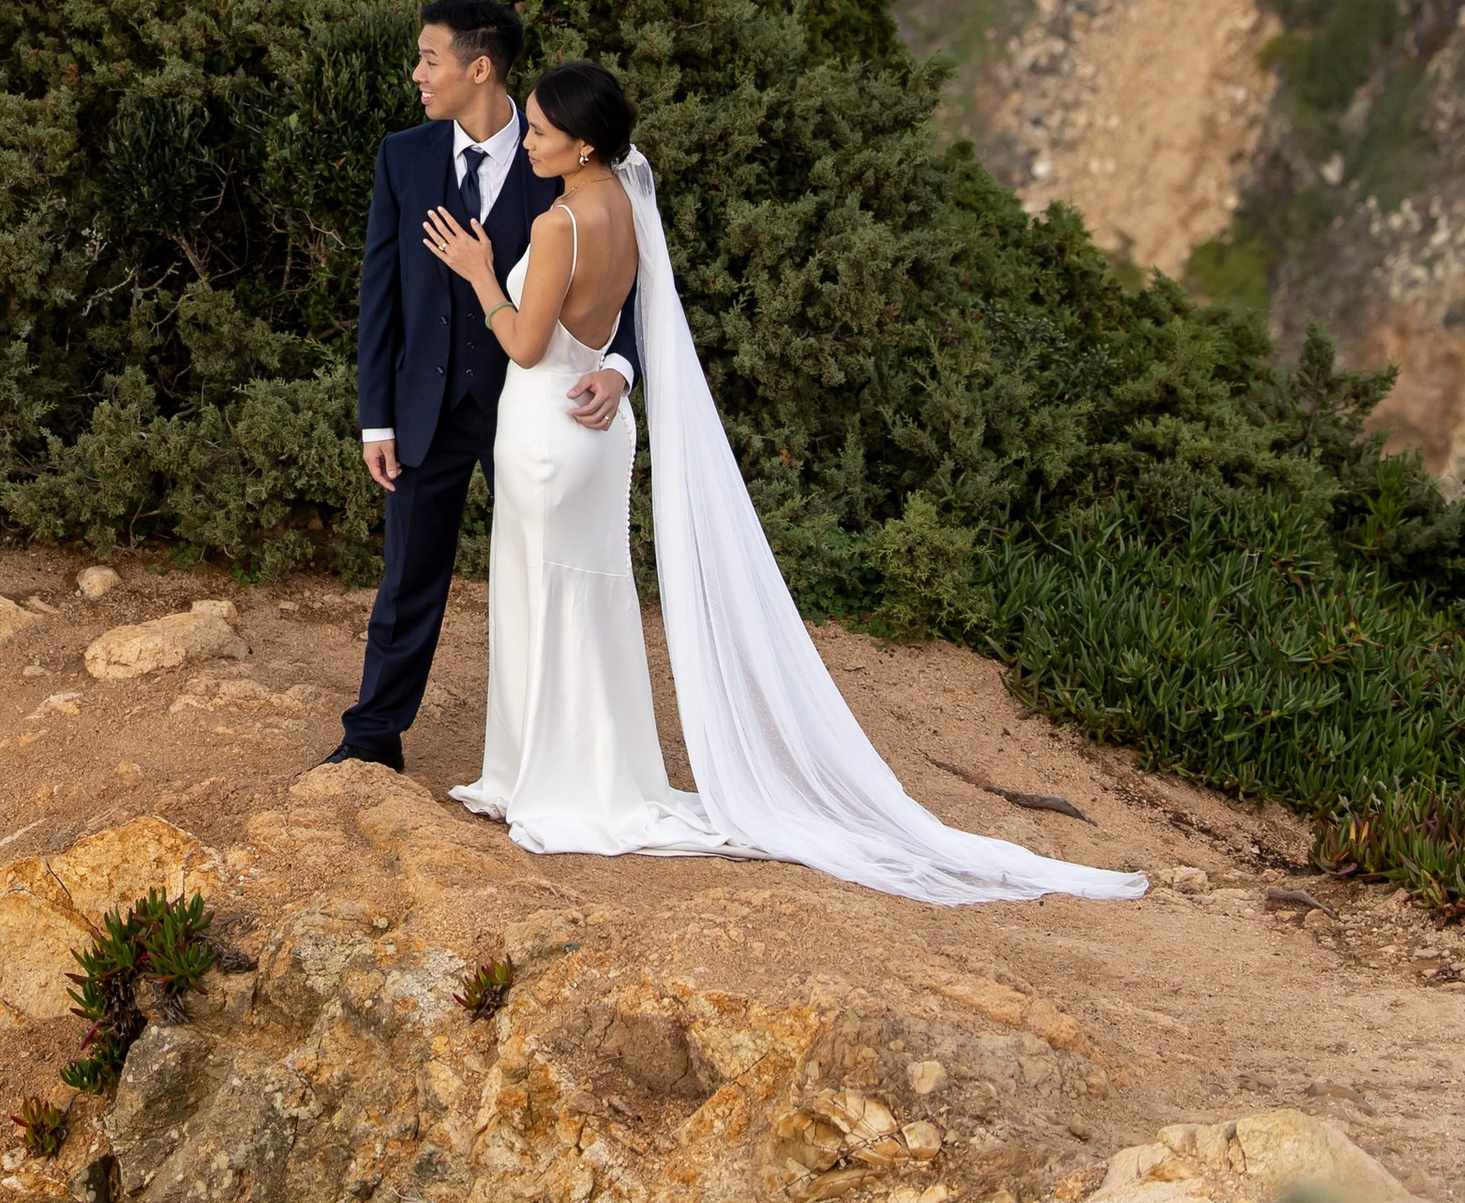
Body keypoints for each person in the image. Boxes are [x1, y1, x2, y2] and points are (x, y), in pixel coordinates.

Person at [429, 58, 1148, 909]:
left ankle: (550, 782)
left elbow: (523, 345)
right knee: (589, 600)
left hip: (551, 426)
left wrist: (480, 273)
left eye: (542, 131)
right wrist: (619, 368)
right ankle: (572, 773)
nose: (532, 140)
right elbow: (625, 322)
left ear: (582, 143)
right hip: (600, 428)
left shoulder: (558, 226)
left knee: (543, 594)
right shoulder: (623, 203)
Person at [338, 0, 637, 771]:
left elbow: (626, 279)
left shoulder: (561, 159)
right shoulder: (402, 157)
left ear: (479, 67)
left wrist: (620, 365)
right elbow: (381, 295)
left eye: (429, 58)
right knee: (407, 581)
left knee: (542, 580)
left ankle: (550, 752)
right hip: (424, 409)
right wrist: (377, 419)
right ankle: (372, 741)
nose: (417, 74)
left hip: (538, 416)